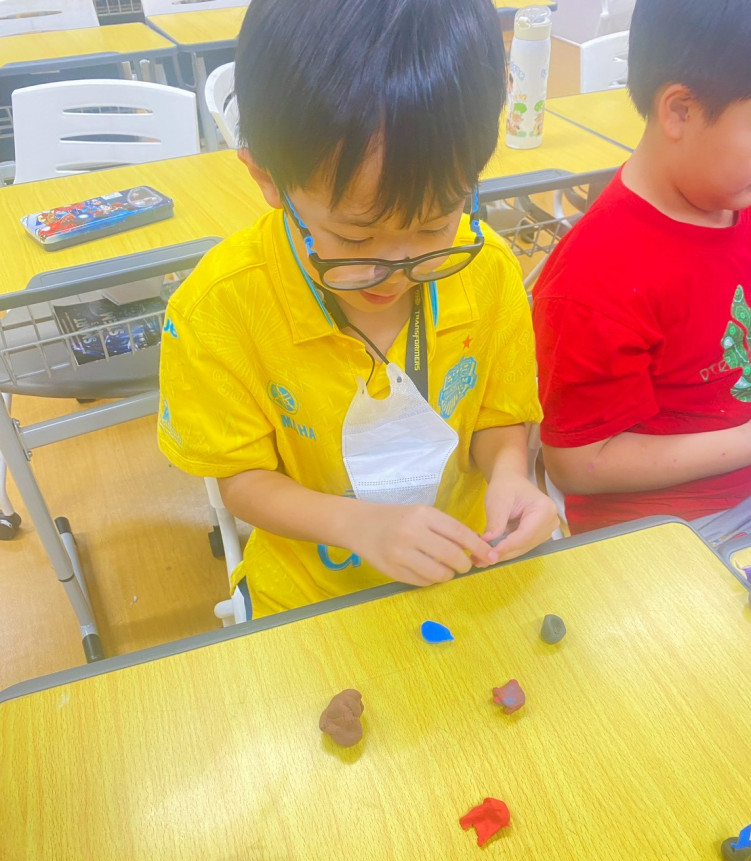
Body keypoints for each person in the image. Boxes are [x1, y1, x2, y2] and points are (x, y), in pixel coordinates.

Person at [158, 0, 557, 620]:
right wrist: (358, 525)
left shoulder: (487, 270)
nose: (395, 271)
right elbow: (242, 480)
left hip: (462, 575)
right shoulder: (220, 309)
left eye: (434, 226)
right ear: (267, 179)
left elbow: (498, 417)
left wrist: (511, 474)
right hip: (308, 602)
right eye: (354, 238)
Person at [533, 0, 751, 541]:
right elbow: (578, 463)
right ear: (680, 111)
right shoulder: (594, 278)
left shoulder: (734, 195)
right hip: (676, 523)